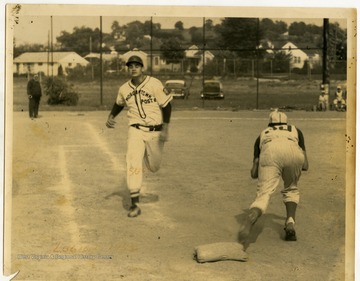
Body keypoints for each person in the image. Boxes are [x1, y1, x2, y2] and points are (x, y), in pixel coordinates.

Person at [105, 55, 173, 218]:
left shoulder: (154, 83)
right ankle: (134, 204)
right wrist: (111, 116)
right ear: (128, 69)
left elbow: (166, 106)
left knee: (154, 166)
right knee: (132, 162)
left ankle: (144, 154)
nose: (133, 68)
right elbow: (119, 103)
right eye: (130, 66)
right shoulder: (124, 88)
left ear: (142, 68)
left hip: (155, 131)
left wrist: (165, 128)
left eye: (136, 65)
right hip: (135, 130)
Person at [239, 110, 309, 242]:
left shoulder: (263, 134)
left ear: (270, 124)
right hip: (293, 153)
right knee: (291, 189)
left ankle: (252, 216)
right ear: (286, 122)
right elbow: (305, 165)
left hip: (270, 153)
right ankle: (290, 222)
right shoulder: (296, 131)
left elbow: (254, 173)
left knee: (263, 194)